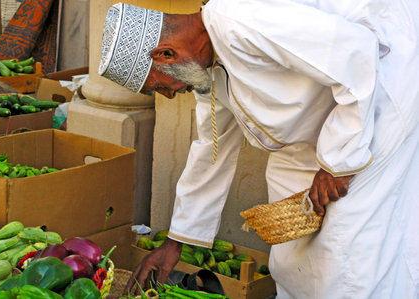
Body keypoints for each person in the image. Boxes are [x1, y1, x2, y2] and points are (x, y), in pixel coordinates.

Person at [99, 1, 419, 298]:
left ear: (166, 54)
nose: (169, 95)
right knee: (293, 248)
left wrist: (339, 163)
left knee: (346, 244)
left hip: (379, 89)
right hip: (326, 115)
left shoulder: (237, 19)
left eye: (158, 86)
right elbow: (212, 148)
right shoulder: (205, 68)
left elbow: (357, 54)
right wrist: (176, 241)